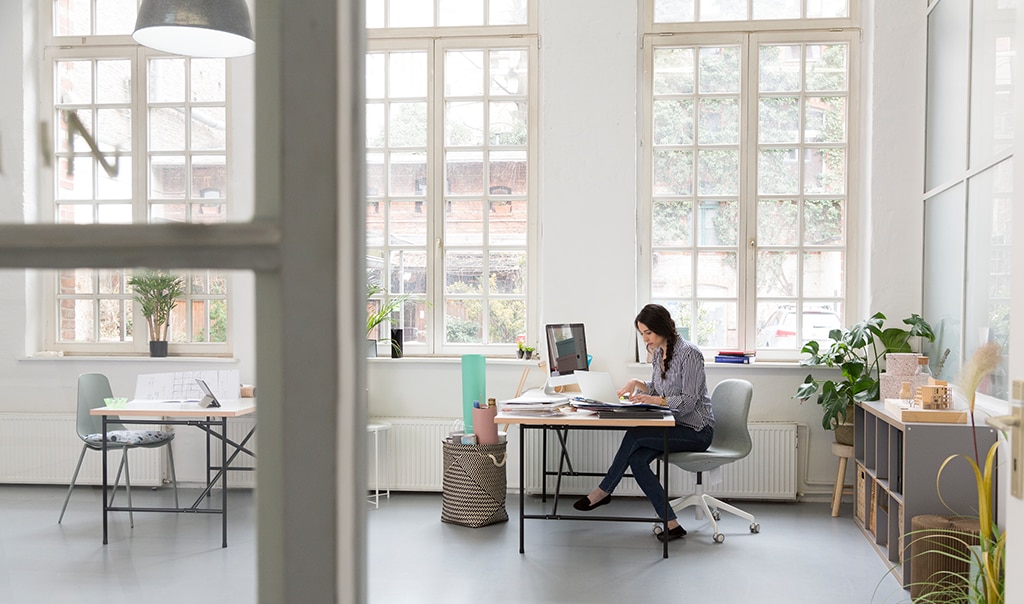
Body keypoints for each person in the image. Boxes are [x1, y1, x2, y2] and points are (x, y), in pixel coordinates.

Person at [573, 303, 715, 542]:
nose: (645, 339)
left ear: (662, 328)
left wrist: (656, 400)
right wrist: (637, 384)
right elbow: (657, 389)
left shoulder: (690, 354)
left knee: (635, 435)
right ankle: (671, 524)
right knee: (638, 461)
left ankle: (604, 490)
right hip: (672, 425)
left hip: (697, 430)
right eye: (642, 334)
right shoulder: (659, 352)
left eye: (648, 332)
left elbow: (689, 402)